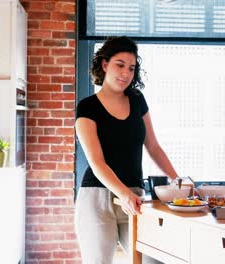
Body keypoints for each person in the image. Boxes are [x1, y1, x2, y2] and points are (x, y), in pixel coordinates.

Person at [74, 36, 178, 264]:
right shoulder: (88, 107)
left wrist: (178, 179)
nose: (126, 73)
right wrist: (123, 194)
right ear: (104, 64)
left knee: (153, 260)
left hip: (135, 196)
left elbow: (154, 147)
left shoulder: (137, 100)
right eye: (120, 65)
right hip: (97, 198)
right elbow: (96, 162)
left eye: (131, 68)